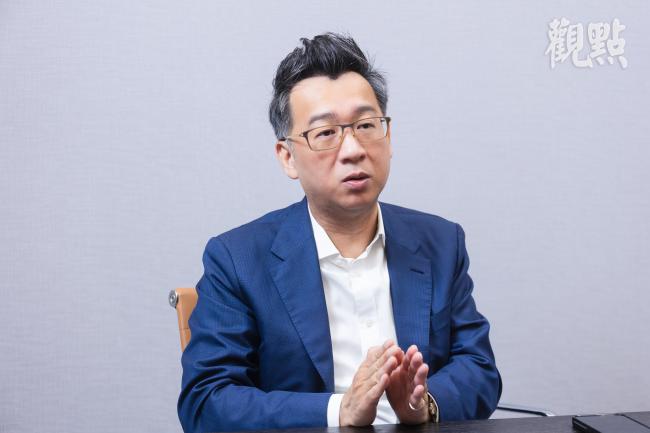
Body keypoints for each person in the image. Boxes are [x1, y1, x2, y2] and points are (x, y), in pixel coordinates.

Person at [178, 33, 501, 433]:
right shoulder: (238, 259)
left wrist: (424, 405)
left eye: (366, 125)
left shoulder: (440, 243)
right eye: (326, 133)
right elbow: (206, 400)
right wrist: (338, 411)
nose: (353, 150)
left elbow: (479, 368)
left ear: (388, 136)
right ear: (287, 157)